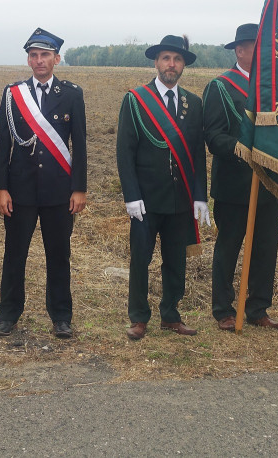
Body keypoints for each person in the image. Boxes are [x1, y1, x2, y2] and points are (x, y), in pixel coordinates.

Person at [0, 28, 87, 339]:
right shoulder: (12, 94)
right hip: (20, 191)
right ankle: (8, 315)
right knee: (14, 254)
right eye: (33, 55)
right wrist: (2, 188)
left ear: (56, 58)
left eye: (45, 54)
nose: (39, 60)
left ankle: (61, 316)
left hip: (59, 191)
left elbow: (80, 146)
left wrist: (79, 188)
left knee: (58, 255)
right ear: (29, 60)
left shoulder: (72, 94)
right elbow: (3, 144)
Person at [117, 34, 209, 341]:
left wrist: (200, 196)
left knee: (176, 260)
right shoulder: (135, 99)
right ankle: (139, 317)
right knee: (141, 259)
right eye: (167, 58)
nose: (172, 64)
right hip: (145, 200)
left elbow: (197, 154)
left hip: (179, 199)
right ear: (156, 62)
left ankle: (170, 315)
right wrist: (131, 195)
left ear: (184, 65)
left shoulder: (193, 104)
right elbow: (125, 151)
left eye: (178, 59)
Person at [203, 23, 278, 331]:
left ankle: (258, 308)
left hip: (268, 183)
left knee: (266, 248)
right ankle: (223, 309)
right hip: (234, 185)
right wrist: (241, 148)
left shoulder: (273, 86)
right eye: (255, 47)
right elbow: (213, 136)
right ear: (240, 50)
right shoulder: (220, 86)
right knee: (229, 248)